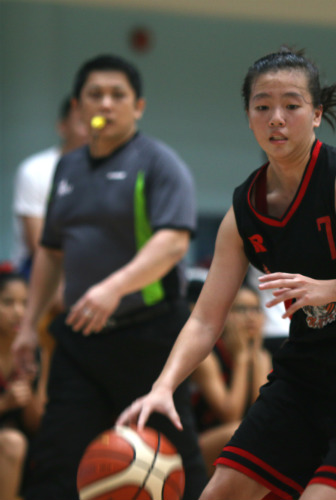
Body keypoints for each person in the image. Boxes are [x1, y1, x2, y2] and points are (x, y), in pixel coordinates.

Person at [117, 47, 336, 500]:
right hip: (305, 373)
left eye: (291, 104)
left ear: (317, 114)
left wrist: (329, 289)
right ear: (248, 117)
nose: (276, 118)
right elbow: (206, 319)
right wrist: (163, 387)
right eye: (262, 106)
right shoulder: (243, 211)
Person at [12, 54, 207, 500]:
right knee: (57, 462)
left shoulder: (159, 163)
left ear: (137, 106)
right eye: (94, 95)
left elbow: (173, 242)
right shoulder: (68, 168)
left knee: (176, 465)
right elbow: (49, 252)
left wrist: (112, 288)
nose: (106, 103)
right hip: (79, 341)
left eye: (118, 95)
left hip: (149, 338)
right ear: (78, 108)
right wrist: (28, 329)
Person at [190, 284, 272, 475]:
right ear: (225, 315)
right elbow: (230, 414)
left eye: (256, 309)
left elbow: (261, 414)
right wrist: (242, 359)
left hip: (241, 438)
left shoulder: (262, 356)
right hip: (200, 442)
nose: (251, 316)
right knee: (237, 431)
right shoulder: (207, 356)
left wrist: (256, 357)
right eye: (242, 309)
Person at [11, 96, 89, 279]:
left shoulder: (114, 170)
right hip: (36, 268)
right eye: (81, 123)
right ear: (62, 127)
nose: (90, 130)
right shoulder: (35, 170)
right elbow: (38, 245)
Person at [0, 268, 44, 500]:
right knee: (12, 442)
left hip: (21, 452)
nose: (18, 312)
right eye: (8, 302)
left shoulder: (32, 351)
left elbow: (36, 425)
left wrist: (29, 388)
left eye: (24, 304)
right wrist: (5, 403)